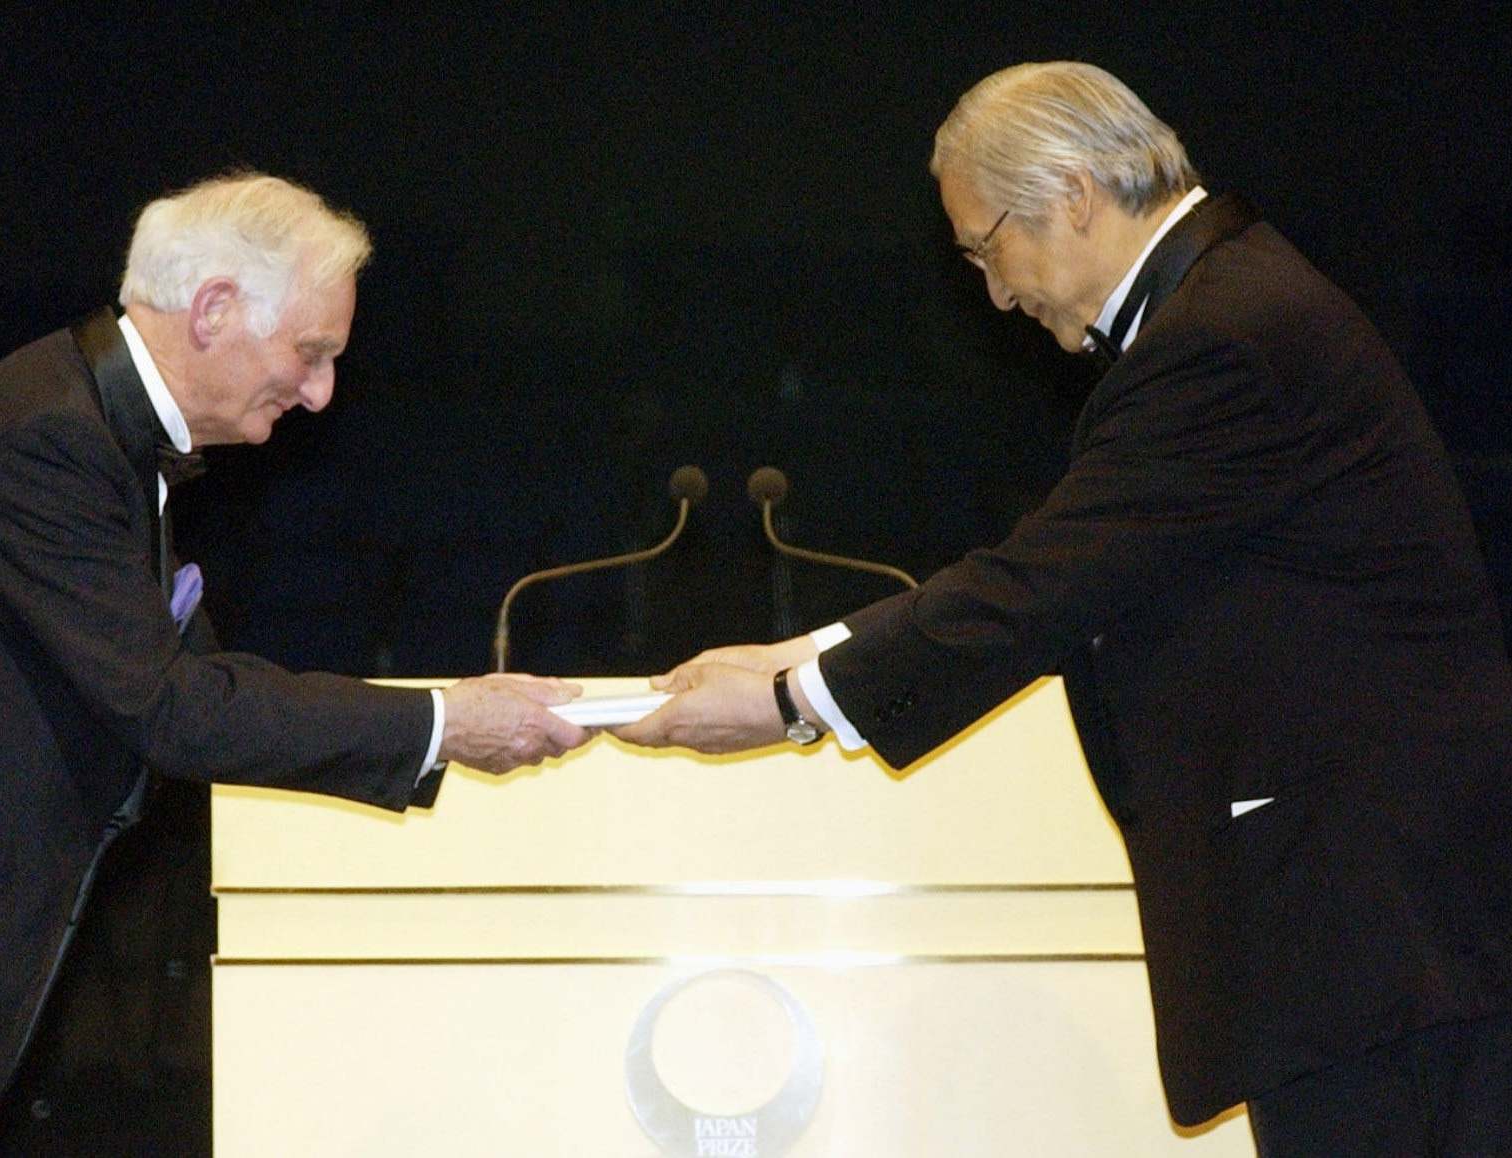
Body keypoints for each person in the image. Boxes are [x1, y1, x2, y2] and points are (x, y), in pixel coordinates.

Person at [616, 62, 1512, 1154]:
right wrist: (798, 650)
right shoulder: (1230, 304)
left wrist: (795, 699)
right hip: (1384, 920)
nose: (995, 294)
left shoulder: (1222, 335)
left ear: (1075, 194)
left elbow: (1048, 583)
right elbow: (1071, 562)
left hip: (1375, 925)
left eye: (989, 251)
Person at [0, 172, 591, 1153]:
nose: (323, 391)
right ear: (212, 309)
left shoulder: (103, 440)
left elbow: (199, 692)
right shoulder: (50, 439)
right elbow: (174, 708)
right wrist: (442, 721)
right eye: (312, 352)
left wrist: (438, 723)